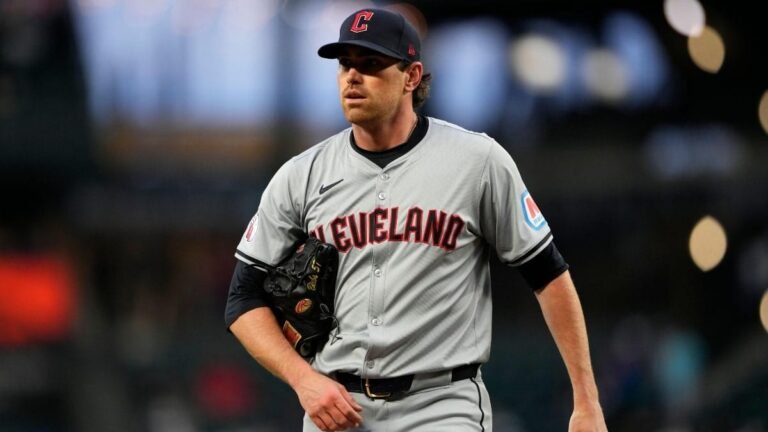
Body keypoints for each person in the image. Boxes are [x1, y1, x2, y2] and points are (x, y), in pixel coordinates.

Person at [225, 8, 607, 432]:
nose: (353, 77)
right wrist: (303, 380)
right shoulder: (302, 175)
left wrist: (586, 400)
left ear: (411, 76)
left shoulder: (477, 161)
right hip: (337, 405)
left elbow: (548, 275)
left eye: (371, 63)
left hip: (441, 404)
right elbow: (242, 298)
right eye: (345, 64)